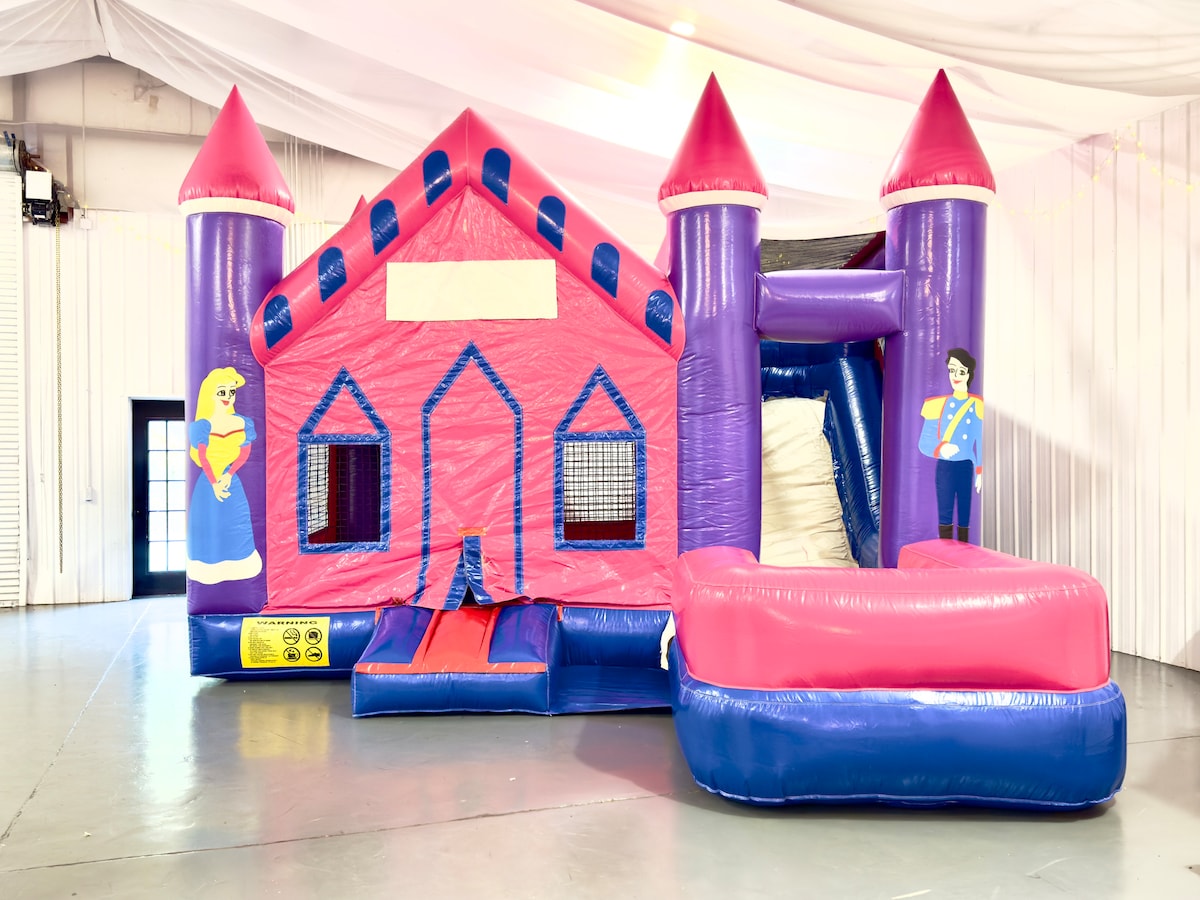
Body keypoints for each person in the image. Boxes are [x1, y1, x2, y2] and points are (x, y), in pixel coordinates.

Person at [187, 366, 263, 584]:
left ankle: (239, 561)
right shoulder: (203, 425)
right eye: (222, 392)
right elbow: (203, 457)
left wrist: (229, 475)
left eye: (231, 392)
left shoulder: (242, 423)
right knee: (209, 520)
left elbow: (244, 453)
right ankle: (207, 565)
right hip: (209, 482)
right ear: (210, 394)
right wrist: (214, 483)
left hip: (230, 479)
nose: (228, 397)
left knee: (235, 519)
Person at [918, 348, 983, 541]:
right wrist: (941, 447)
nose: (956, 376)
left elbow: (977, 439)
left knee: (965, 514)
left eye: (961, 371)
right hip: (945, 465)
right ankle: (945, 551)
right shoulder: (938, 404)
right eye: (952, 370)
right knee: (945, 512)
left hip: (966, 465)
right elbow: (924, 441)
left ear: (969, 375)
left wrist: (979, 470)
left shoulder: (975, 405)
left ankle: (964, 551)